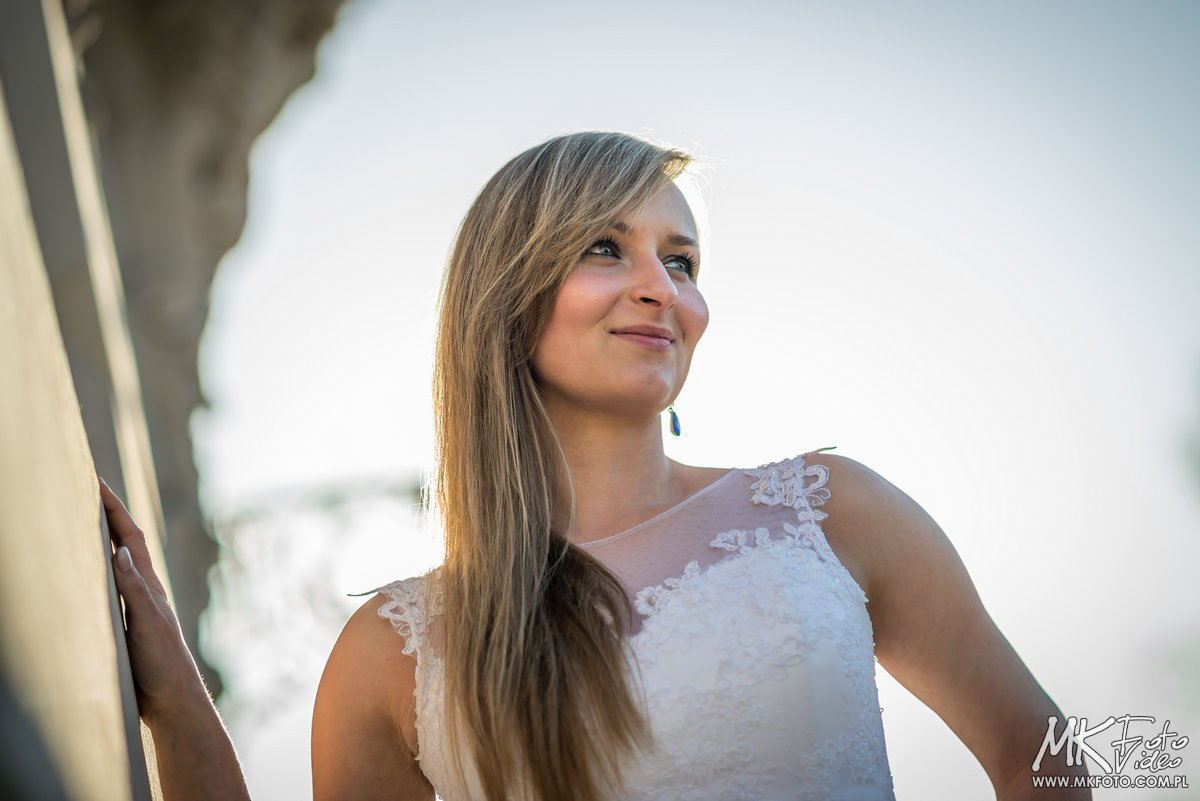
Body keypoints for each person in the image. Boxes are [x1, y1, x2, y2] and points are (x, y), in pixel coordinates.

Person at [101, 131, 1090, 800]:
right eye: (607, 248)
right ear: (509, 295)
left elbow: (1043, 760)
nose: (661, 289)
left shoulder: (830, 513)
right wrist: (179, 710)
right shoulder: (393, 649)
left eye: (683, 260)